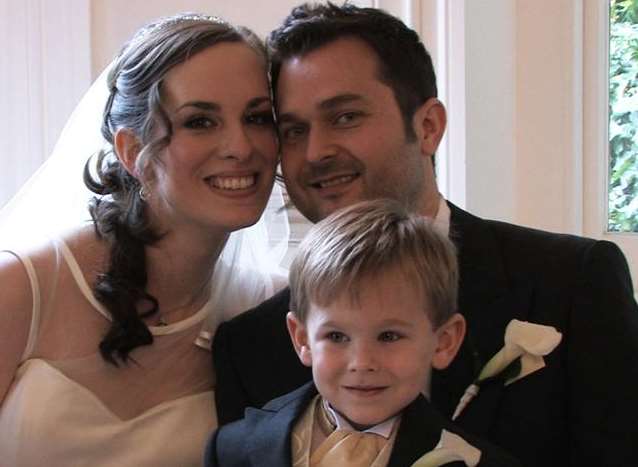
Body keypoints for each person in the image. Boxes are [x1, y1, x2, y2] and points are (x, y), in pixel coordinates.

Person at [212, 3, 638, 467]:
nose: (315, 152)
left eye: (345, 117)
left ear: (428, 127)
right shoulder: (251, 344)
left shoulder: (572, 284)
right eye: (294, 131)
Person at [0, 13, 287, 467]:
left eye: (257, 117)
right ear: (132, 150)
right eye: (200, 121)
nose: (241, 146)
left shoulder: (266, 309)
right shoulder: (20, 288)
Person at [207, 199, 522, 467]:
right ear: (302, 339)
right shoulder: (233, 449)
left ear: (444, 341)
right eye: (337, 337)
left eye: (388, 336)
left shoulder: (479, 462)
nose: (361, 362)